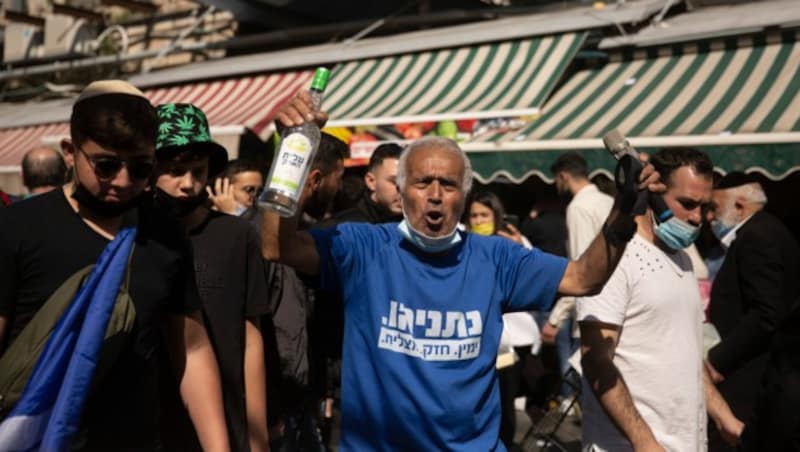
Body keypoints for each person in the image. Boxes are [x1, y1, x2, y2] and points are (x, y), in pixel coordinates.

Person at [261, 90, 663, 450]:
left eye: (448, 185)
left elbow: (582, 278)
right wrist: (291, 152)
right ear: (400, 192)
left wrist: (623, 213)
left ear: (464, 195)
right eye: (423, 183)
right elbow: (276, 244)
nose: (435, 196)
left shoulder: (495, 257)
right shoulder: (365, 248)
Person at [0, 81, 229, 450]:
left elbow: (191, 347)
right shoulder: (17, 228)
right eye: (106, 165)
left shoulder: (165, 234)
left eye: (140, 169)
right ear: (70, 152)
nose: (122, 182)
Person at [578, 147, 743, 452]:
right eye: (687, 204)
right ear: (653, 192)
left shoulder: (681, 259)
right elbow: (596, 358)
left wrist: (724, 417)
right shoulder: (615, 259)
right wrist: (645, 442)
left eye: (703, 207)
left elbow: (686, 356)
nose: (697, 218)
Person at [152, 103, 270, 452]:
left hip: (226, 424)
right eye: (174, 170)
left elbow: (251, 337)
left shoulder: (237, 235)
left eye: (197, 171)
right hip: (152, 424)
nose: (188, 184)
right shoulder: (136, 235)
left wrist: (257, 437)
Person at [262, 132, 347, 450]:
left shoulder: (309, 234)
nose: (339, 188)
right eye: (337, 178)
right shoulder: (265, 237)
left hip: (298, 399)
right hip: (277, 405)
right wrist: (268, 412)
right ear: (313, 178)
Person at [705, 172, 800, 451]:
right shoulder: (766, 232)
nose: (709, 217)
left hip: (750, 377)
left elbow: (766, 313)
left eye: (714, 207)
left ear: (739, 205)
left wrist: (716, 362)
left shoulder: (757, 237)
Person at [467, 190, 541, 449]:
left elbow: (536, 277)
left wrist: (521, 248)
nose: (479, 220)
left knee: (505, 403)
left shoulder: (513, 243)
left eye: (484, 215)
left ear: (496, 216)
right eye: (474, 215)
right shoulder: (462, 245)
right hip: (474, 339)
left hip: (510, 341)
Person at [543, 152, 614, 393]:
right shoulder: (606, 201)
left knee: (584, 385)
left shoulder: (579, 207)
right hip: (614, 301)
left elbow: (581, 271)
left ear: (563, 176)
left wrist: (556, 317)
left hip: (592, 306)